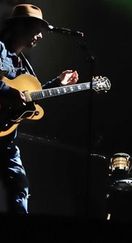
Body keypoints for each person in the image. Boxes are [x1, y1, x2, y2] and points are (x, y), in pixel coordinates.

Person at [0, 3, 79, 214]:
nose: (40, 36)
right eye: (36, 29)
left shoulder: (25, 66)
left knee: (20, 188)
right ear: (20, 26)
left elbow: (30, 97)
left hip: (7, 140)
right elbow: (10, 91)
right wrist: (8, 92)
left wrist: (58, 83)